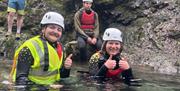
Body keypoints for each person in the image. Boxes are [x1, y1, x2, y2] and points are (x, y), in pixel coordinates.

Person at [9, 12, 73, 85]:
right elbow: (20, 80)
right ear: (43, 29)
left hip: (52, 85)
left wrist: (66, 68)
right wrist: (45, 87)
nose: (55, 31)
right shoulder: (29, 48)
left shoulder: (61, 48)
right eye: (52, 27)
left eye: (59, 29)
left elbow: (62, 76)